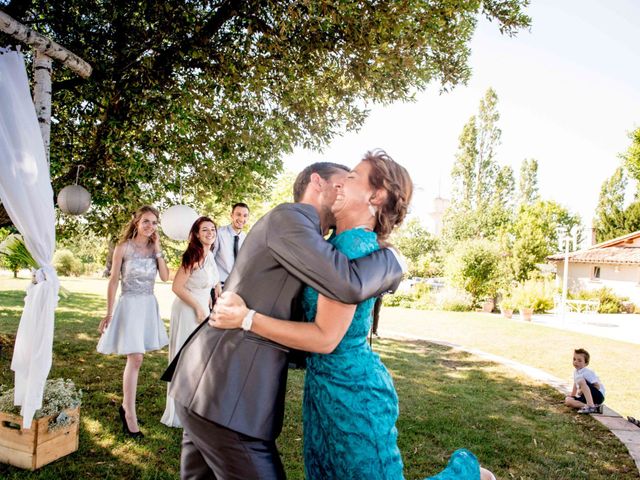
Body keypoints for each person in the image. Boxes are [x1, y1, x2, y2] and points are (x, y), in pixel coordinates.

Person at [212, 150, 496, 480]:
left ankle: (473, 476)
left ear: (376, 195)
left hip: (354, 392)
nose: (342, 182)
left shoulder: (355, 248)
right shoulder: (332, 243)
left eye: (353, 177)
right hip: (323, 389)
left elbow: (325, 337)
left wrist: (248, 319)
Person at [166, 161, 404, 480]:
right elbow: (347, 282)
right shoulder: (290, 219)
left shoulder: (321, 243)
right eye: (341, 180)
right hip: (227, 395)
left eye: (353, 179)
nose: (344, 188)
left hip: (206, 388)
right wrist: (394, 261)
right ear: (317, 183)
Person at [97, 205, 169, 438]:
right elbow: (113, 282)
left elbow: (166, 277)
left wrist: (157, 248)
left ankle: (127, 408)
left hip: (147, 305)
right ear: (136, 222)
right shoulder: (123, 248)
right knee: (136, 357)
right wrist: (108, 313)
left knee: (137, 358)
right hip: (129, 304)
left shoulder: (154, 248)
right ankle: (129, 413)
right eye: (146, 221)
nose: (150, 226)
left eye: (154, 223)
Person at [160, 216, 221, 428]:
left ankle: (195, 407)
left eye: (212, 229)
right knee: (185, 359)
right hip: (188, 309)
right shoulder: (192, 255)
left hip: (204, 308)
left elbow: (214, 284)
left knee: (200, 360)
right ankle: (177, 412)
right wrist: (197, 307)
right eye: (205, 230)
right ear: (196, 234)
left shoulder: (210, 255)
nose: (210, 233)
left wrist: (217, 300)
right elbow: (176, 287)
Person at [214, 202, 250, 287]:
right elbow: (210, 259)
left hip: (238, 286)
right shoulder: (219, 233)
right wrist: (215, 283)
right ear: (231, 215)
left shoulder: (246, 238)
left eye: (245, 216)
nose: (241, 219)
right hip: (219, 285)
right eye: (238, 214)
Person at [564, 348, 605, 414]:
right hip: (586, 397)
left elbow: (597, 386)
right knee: (568, 400)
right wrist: (572, 395)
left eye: (579, 360)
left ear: (586, 363)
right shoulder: (576, 372)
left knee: (580, 380)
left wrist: (582, 390)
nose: (576, 362)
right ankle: (592, 407)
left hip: (598, 395)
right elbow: (575, 384)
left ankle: (591, 406)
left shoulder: (587, 372)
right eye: (574, 359)